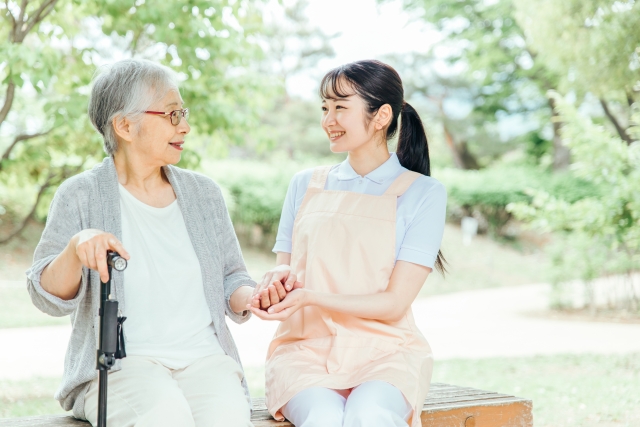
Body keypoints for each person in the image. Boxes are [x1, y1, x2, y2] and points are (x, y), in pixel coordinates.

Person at [26, 58, 262, 427]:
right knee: (165, 416)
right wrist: (75, 250)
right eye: (171, 114)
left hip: (204, 360)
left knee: (229, 419)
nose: (185, 125)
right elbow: (44, 294)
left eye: (182, 113)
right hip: (123, 367)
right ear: (124, 126)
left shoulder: (204, 194)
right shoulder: (80, 195)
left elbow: (233, 277)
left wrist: (254, 296)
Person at [249, 60, 447, 427]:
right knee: (323, 419)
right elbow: (286, 267)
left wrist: (309, 297)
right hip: (304, 349)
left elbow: (394, 303)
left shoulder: (423, 193)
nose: (328, 120)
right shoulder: (304, 184)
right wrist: (273, 286)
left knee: (369, 416)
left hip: (386, 352)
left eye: (341, 107)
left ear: (381, 115)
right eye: (325, 108)